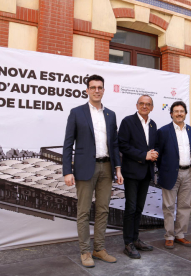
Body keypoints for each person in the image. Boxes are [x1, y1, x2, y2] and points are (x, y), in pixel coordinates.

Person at [62, 74, 124, 268]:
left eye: (100, 87)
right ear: (87, 90)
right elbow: (67, 143)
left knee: (103, 210)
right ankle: (85, 251)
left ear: (104, 90)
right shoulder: (76, 112)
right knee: (83, 211)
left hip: (107, 167)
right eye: (93, 87)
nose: (97, 90)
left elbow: (114, 144)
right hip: (84, 168)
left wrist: (118, 168)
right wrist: (67, 170)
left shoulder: (111, 114)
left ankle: (99, 248)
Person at [118, 95, 158, 259]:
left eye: (148, 104)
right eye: (141, 103)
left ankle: (135, 239)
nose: (144, 106)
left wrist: (154, 154)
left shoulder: (153, 125)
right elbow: (123, 145)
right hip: (132, 172)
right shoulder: (128, 121)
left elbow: (152, 147)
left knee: (139, 208)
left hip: (146, 172)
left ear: (152, 107)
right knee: (131, 208)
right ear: (137, 105)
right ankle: (128, 243)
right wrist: (144, 155)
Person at [157, 101, 191, 249]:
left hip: (188, 172)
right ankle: (169, 236)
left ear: (185, 113)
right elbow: (159, 156)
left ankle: (180, 235)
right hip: (170, 173)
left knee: (185, 206)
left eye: (182, 111)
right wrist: (164, 171)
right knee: (168, 206)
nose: (179, 113)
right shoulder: (164, 131)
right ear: (171, 114)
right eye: (176, 111)